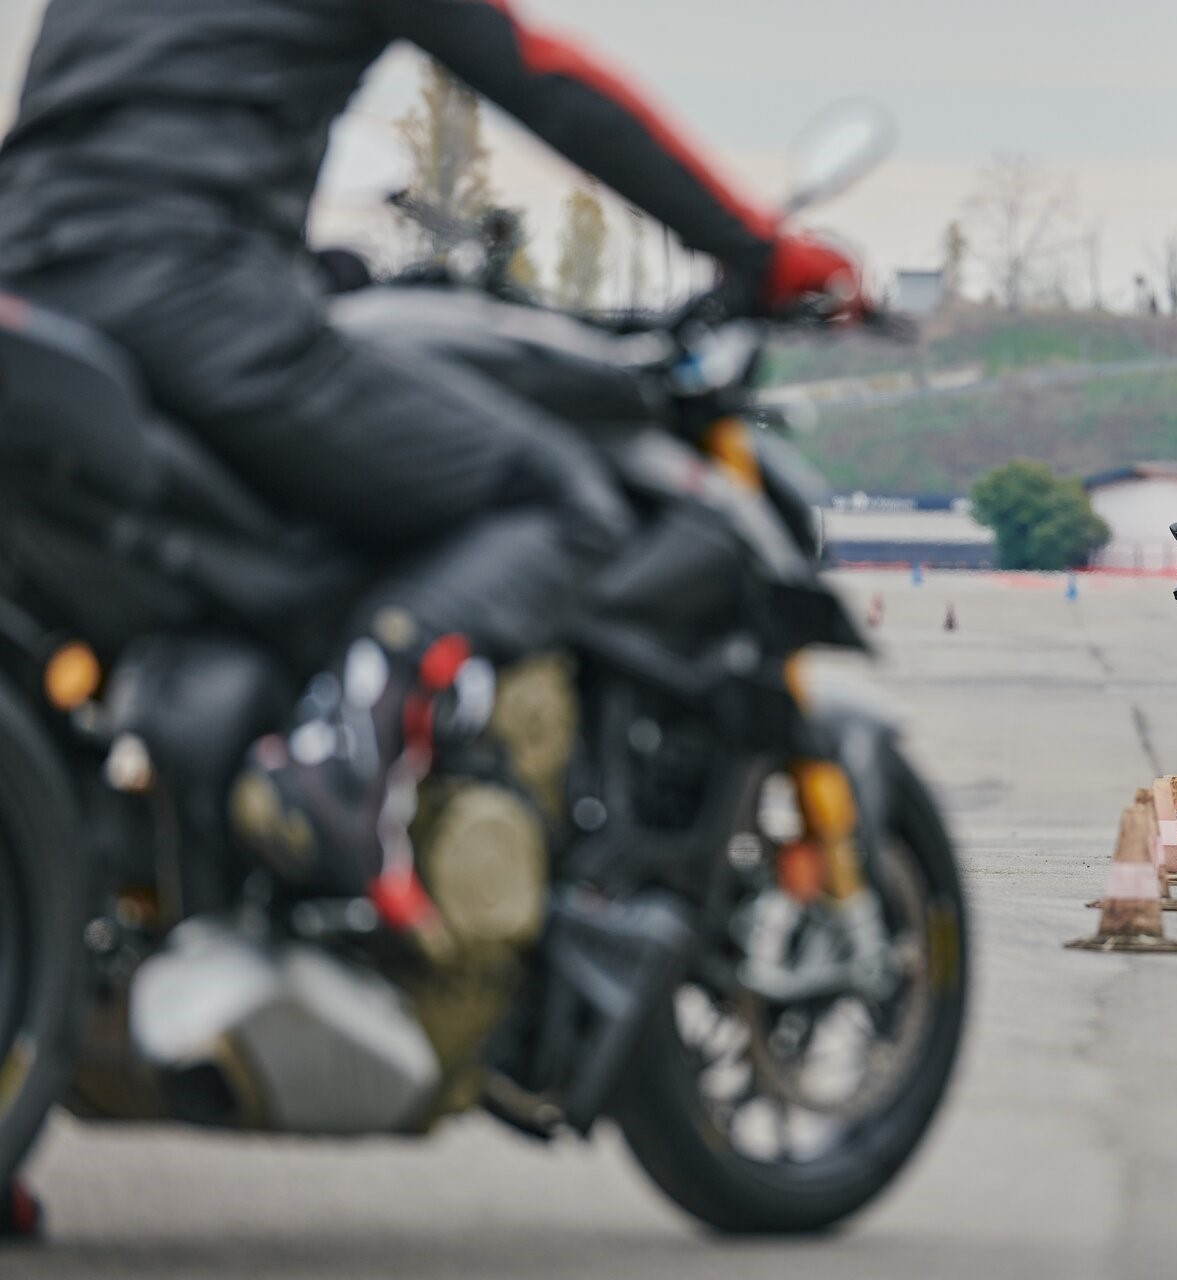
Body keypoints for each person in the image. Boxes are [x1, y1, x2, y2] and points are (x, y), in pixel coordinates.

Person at [0, 0, 864, 904]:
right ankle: (339, 770)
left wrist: (320, 272)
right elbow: (546, 77)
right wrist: (756, 250)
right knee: (556, 496)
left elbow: (122, 142)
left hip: (44, 304)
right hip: (190, 299)